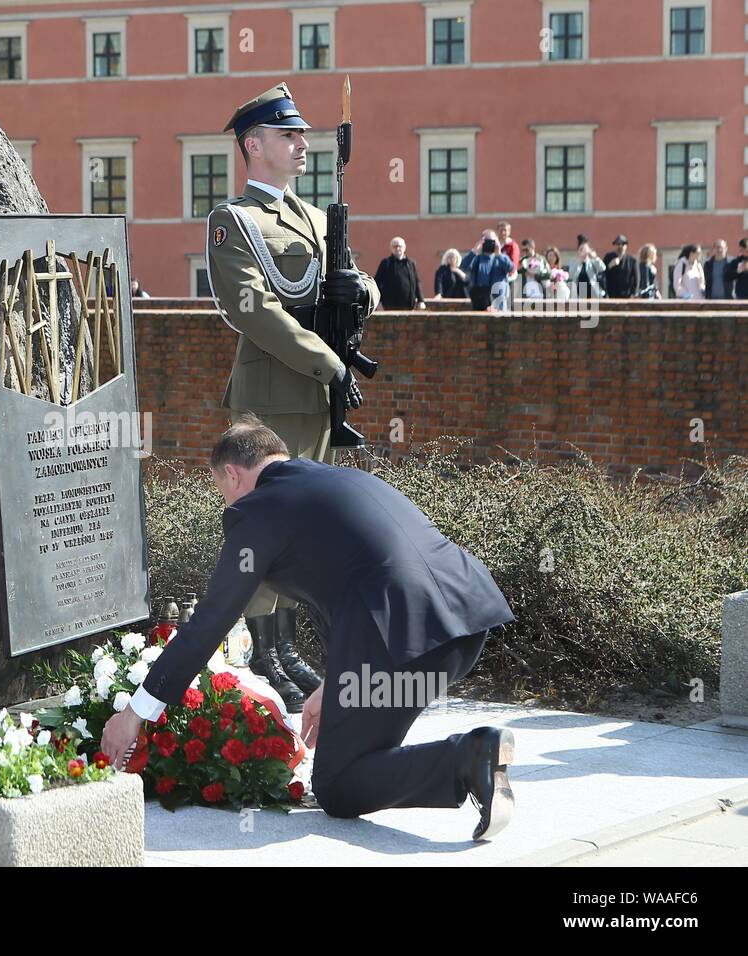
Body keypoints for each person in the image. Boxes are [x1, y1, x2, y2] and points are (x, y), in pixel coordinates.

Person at [100, 416, 517, 840]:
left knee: (338, 785)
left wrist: (136, 712)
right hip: (463, 622)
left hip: (398, 639)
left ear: (232, 473)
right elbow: (361, 572)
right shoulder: (341, 479)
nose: (227, 505)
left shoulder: (259, 508)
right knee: (358, 758)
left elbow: (210, 621)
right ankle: (473, 760)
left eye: (222, 491)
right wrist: (335, 681)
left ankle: (471, 756)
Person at [205, 81, 381, 713]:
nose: (303, 143)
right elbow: (253, 312)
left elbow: (354, 278)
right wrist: (327, 361)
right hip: (271, 399)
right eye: (288, 135)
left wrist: (362, 298)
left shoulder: (311, 216)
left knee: (301, 531)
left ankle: (286, 647)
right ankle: (262, 653)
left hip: (315, 401)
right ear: (255, 145)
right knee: (262, 530)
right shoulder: (235, 222)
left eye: (304, 134)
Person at [460, 234, 512, 311]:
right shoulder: (476, 258)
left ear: (497, 242)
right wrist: (474, 251)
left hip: (498, 301)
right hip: (480, 300)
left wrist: (499, 255)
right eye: (486, 241)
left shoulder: (502, 258)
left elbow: (510, 268)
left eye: (492, 242)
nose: (489, 244)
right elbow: (463, 266)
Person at [373, 237, 426, 310]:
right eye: (395, 246)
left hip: (408, 306)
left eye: (400, 246)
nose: (397, 248)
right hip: (389, 306)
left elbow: (417, 282)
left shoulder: (410, 263)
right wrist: (378, 302)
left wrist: (421, 300)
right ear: (390, 248)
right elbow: (377, 283)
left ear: (404, 247)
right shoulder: (385, 263)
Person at [602, 234, 639, 299]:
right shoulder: (608, 257)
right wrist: (610, 266)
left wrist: (634, 293)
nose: (620, 246)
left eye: (622, 244)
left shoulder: (632, 260)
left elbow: (637, 279)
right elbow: (602, 274)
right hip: (611, 295)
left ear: (626, 246)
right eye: (618, 244)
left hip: (627, 295)